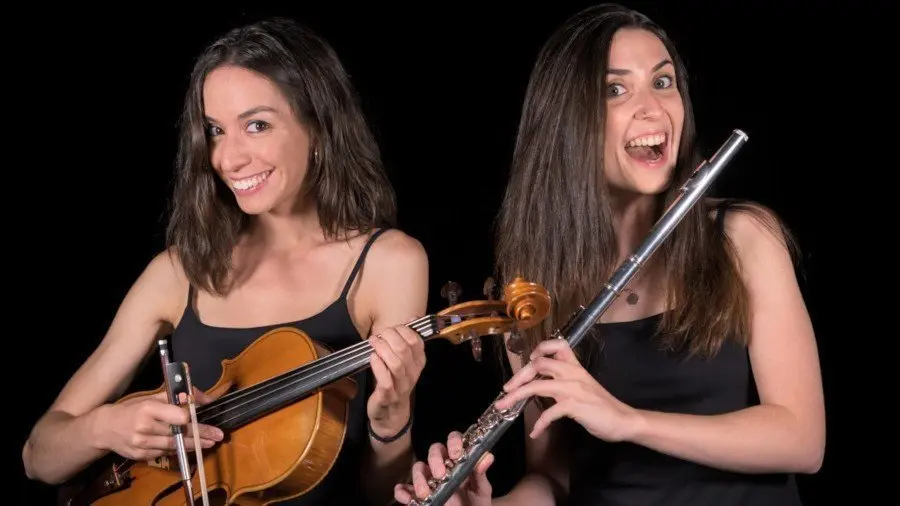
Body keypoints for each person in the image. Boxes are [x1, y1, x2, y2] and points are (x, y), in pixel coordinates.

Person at [395, 3, 825, 506]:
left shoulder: (744, 237)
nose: (653, 109)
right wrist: (487, 505)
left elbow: (802, 439)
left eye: (663, 83)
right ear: (567, 123)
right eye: (615, 90)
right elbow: (553, 479)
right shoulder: (532, 285)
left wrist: (628, 420)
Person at [22, 17, 429, 506]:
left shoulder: (388, 265)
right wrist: (105, 427)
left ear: (319, 126)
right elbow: (39, 458)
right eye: (214, 130)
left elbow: (386, 499)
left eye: (256, 125)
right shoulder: (180, 271)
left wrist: (391, 423)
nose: (228, 158)